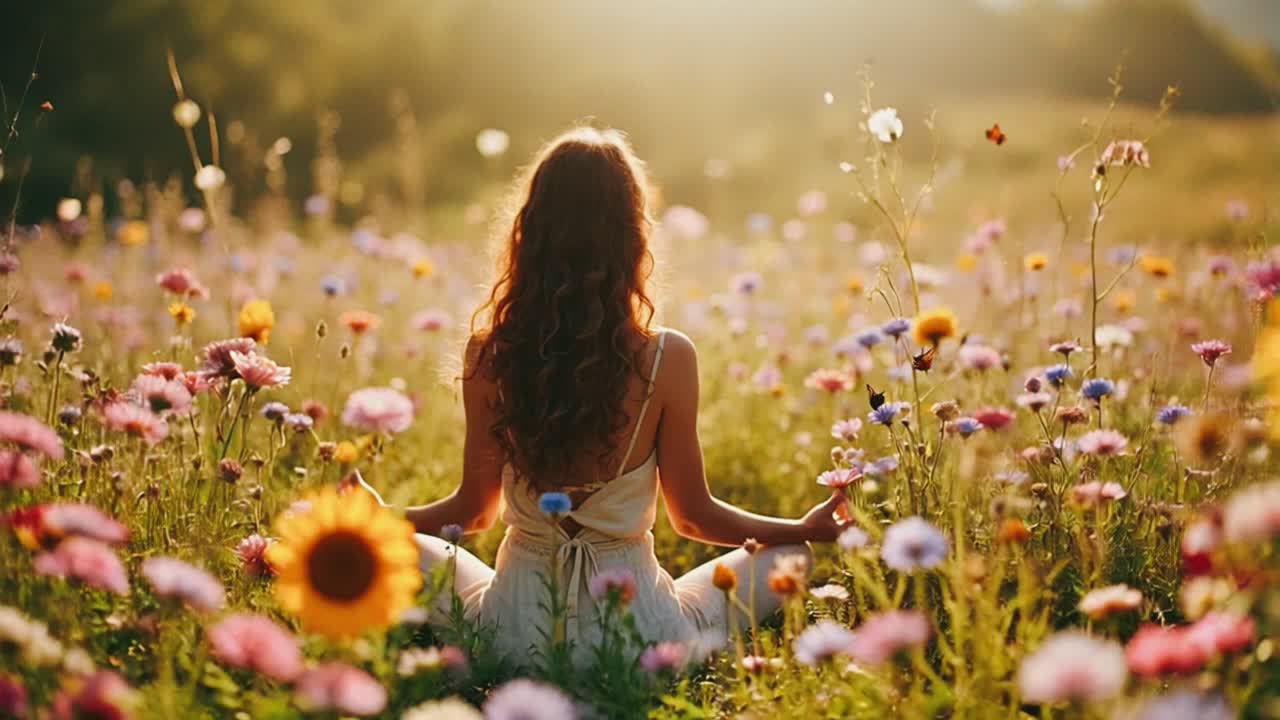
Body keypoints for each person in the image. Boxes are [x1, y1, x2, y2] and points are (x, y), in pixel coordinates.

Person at [387, 126, 848, 666]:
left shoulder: (491, 354)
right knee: (790, 557)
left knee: (410, 547)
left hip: (514, 639)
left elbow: (473, 513)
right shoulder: (667, 358)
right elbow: (694, 520)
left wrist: (379, 519)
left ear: (530, 233)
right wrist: (801, 529)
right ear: (632, 236)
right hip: (642, 643)